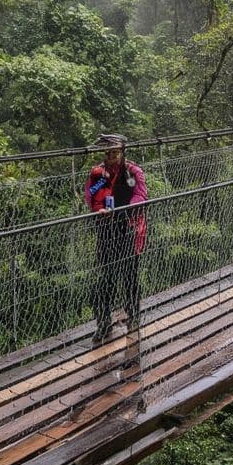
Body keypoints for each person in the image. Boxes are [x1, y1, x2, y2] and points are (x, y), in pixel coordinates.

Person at [84, 134, 148, 344]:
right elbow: (91, 194)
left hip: (128, 229)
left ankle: (134, 319)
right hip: (106, 230)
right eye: (108, 153)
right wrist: (98, 208)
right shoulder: (98, 173)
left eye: (115, 153)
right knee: (105, 279)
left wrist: (124, 210)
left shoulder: (133, 171)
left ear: (123, 153)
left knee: (129, 277)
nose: (111, 157)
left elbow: (141, 195)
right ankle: (103, 323)